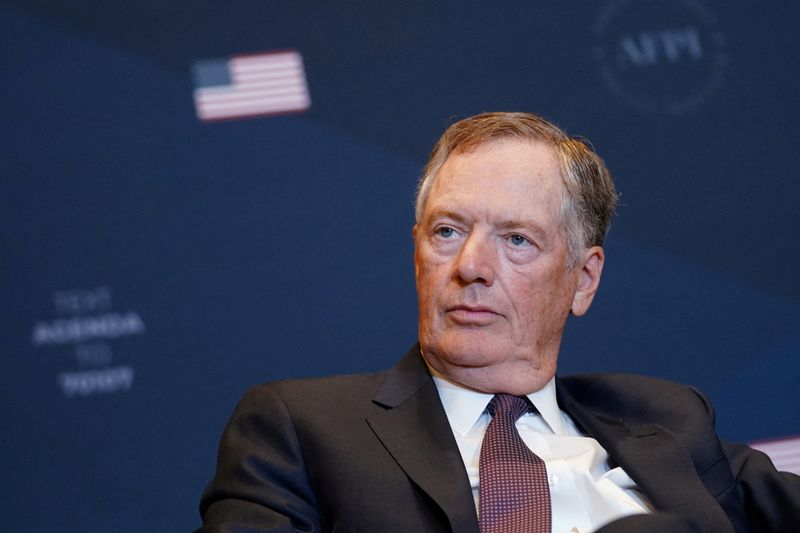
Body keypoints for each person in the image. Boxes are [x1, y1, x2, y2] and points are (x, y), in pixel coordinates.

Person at [196, 112, 800, 532]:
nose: (470, 267)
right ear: (416, 252)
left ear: (583, 280)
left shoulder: (666, 420)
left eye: (516, 239)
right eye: (447, 231)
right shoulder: (301, 428)